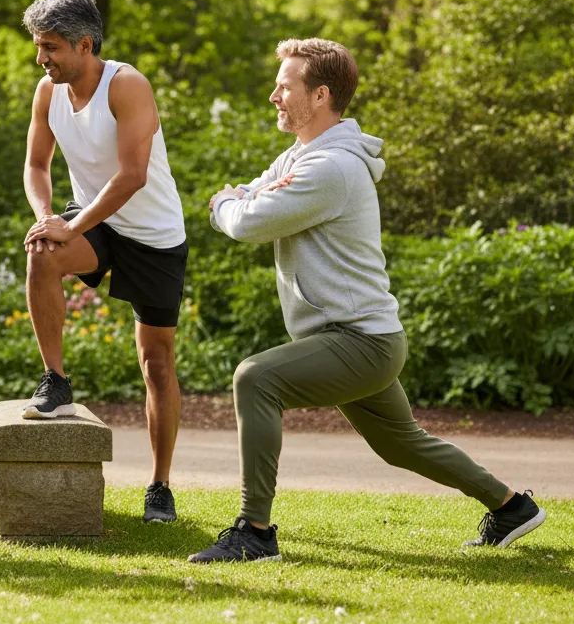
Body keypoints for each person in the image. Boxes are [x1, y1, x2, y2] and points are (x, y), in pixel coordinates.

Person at [189, 38, 545, 562]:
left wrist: (224, 200)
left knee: (255, 377)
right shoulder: (301, 155)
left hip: (359, 342)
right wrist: (246, 195)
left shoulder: (330, 168)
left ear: (320, 95)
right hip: (355, 338)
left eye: (285, 87)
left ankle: (254, 532)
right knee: (400, 443)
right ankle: (513, 507)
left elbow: (247, 220)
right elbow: (255, 191)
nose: (274, 96)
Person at [20, 0, 188, 523]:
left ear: (84, 44)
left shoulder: (128, 85)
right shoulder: (47, 93)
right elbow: (36, 166)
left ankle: (159, 485)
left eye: (50, 47)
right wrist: (49, 217)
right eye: (38, 46)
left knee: (156, 362)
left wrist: (72, 222)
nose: (41, 58)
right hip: (94, 221)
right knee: (42, 253)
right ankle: (57, 380)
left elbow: (133, 176)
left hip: (153, 232)